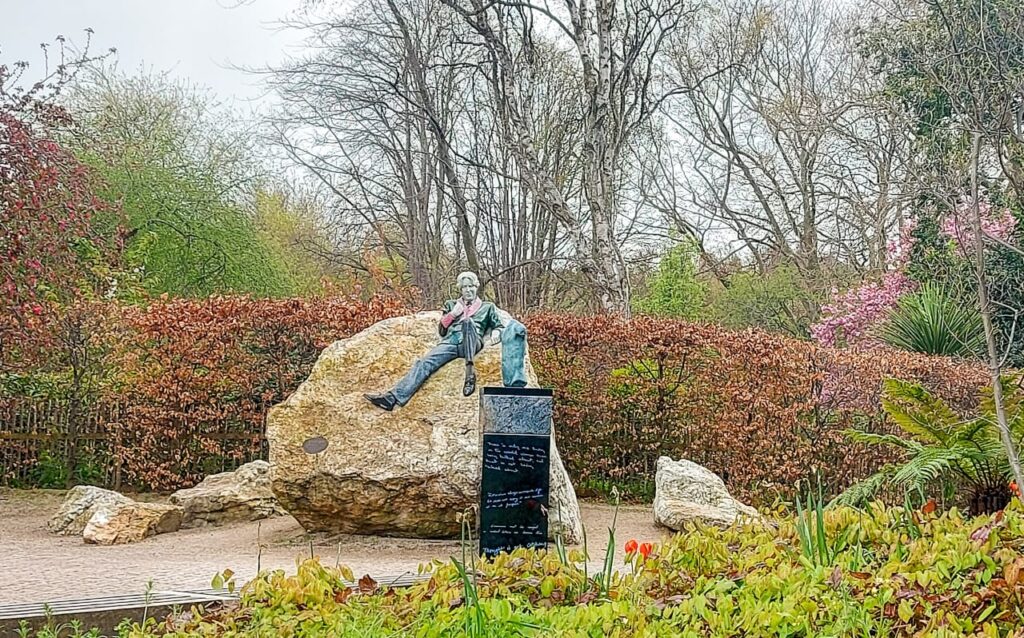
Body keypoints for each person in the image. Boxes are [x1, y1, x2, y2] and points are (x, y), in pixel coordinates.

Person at [364, 271, 504, 411]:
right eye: (464, 287)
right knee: (424, 362)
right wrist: (453, 314)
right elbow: (442, 331)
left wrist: (497, 332)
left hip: (473, 341)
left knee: (468, 323)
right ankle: (392, 398)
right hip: (451, 342)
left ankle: (470, 373)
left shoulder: (487, 307)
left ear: (476, 287)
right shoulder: (451, 304)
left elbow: (499, 325)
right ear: (460, 289)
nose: (468, 290)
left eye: (471, 286)